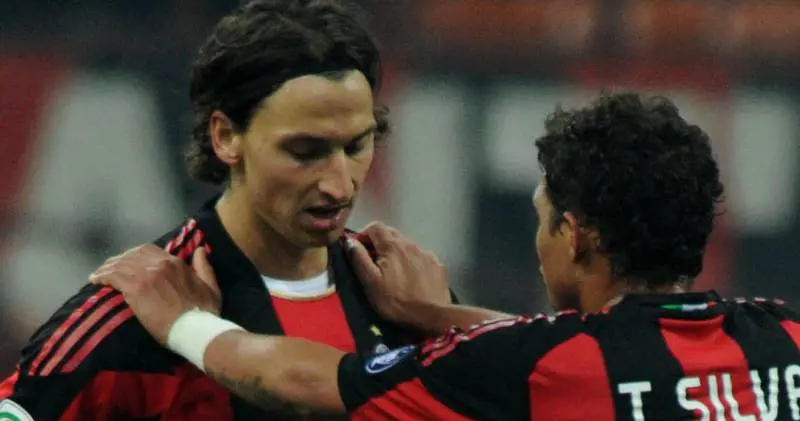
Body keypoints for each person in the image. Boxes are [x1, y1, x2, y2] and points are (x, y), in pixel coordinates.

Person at [86, 92, 800, 420]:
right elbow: (596, 357)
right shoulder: (784, 338)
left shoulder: (538, 369)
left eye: (543, 219)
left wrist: (183, 321)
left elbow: (307, 381)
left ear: (576, 235)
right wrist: (436, 315)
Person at [0, 1, 450, 419]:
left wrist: (444, 323)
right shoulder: (133, 316)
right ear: (226, 137)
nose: (339, 184)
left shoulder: (411, 305)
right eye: (304, 151)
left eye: (356, 147)